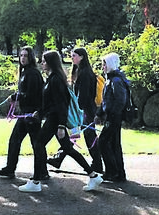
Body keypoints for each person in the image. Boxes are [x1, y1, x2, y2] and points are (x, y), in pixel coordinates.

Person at [19, 50, 103, 192]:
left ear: (50, 63)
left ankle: (35, 181)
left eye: (44, 61)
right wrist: (39, 112)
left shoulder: (56, 80)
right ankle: (93, 175)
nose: (42, 63)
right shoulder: (53, 78)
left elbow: (61, 105)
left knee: (39, 144)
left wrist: (61, 125)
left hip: (55, 119)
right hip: (53, 117)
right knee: (68, 149)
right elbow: (50, 102)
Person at [47, 48, 102, 173]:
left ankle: (97, 163)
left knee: (86, 136)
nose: (72, 58)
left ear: (82, 57)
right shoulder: (82, 72)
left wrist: (78, 110)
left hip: (85, 110)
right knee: (76, 135)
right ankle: (59, 158)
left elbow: (83, 95)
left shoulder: (85, 73)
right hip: (85, 109)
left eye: (74, 56)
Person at [0, 46, 44, 178]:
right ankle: (10, 168)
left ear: (31, 57)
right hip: (24, 113)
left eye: (25, 56)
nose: (22, 58)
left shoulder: (33, 73)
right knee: (15, 140)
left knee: (36, 144)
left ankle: (42, 172)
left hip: (32, 114)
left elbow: (32, 94)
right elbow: (25, 92)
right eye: (21, 55)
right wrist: (17, 96)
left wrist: (17, 97)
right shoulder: (25, 72)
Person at [95, 53, 127, 182]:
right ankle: (118, 173)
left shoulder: (115, 80)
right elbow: (106, 101)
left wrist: (110, 115)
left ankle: (112, 171)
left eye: (105, 64)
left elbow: (120, 100)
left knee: (103, 142)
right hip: (112, 116)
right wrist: (99, 114)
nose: (103, 66)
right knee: (114, 144)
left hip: (113, 117)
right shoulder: (112, 79)